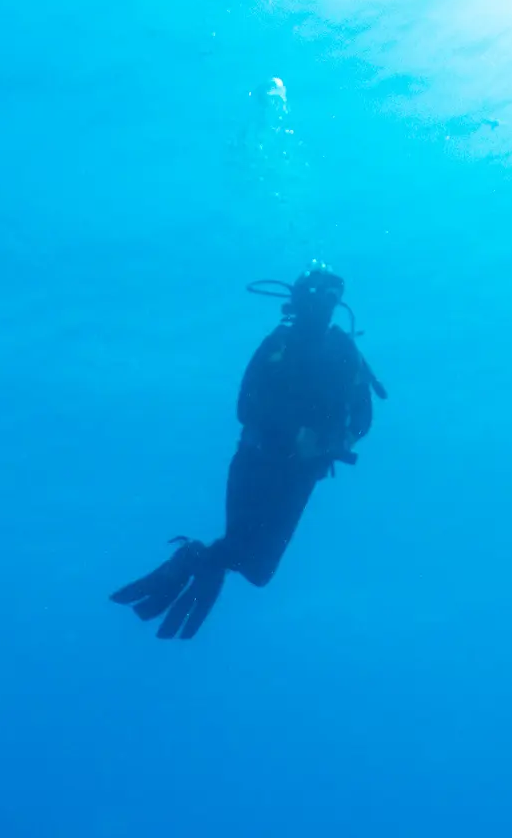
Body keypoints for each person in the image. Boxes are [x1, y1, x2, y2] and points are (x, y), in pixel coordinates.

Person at [112, 266, 383, 640]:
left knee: (259, 572)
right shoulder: (278, 345)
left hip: (301, 475)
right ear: (298, 300)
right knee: (245, 553)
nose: (323, 303)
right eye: (315, 294)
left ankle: (199, 560)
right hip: (257, 463)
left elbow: (363, 419)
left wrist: (332, 442)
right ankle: (197, 561)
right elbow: (245, 406)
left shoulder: (346, 352)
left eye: (331, 296)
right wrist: (293, 433)